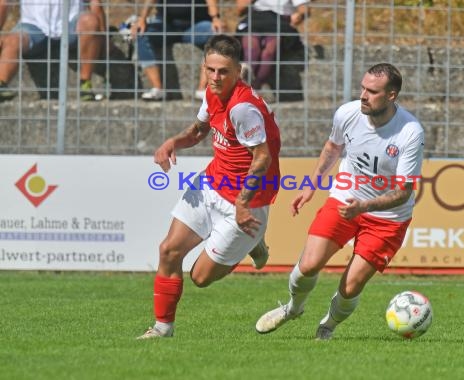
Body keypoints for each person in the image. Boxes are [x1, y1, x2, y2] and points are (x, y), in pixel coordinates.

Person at [255, 63, 425, 340]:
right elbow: (333, 147)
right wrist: (312, 185)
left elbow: (403, 192)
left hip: (388, 217)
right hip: (345, 199)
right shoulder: (347, 113)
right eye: (363, 88)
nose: (363, 95)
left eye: (372, 91)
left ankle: (328, 326)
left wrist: (365, 206)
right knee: (308, 265)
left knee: (351, 286)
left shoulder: (409, 132)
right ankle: (293, 308)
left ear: (392, 95)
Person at [138, 34, 281, 339]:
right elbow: (200, 130)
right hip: (211, 184)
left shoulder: (243, 108)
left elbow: (262, 159)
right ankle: (162, 329)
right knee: (168, 250)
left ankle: (253, 241)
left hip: (246, 202)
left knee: (200, 278)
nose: (216, 77)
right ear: (204, 66)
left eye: (224, 71)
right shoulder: (211, 92)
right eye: (211, 70)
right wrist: (173, 142)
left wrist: (242, 204)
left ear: (237, 71)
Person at [0, 0, 105, 101]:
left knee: (90, 21)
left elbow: (94, 2)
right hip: (33, 27)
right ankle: (1, 84)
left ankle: (85, 84)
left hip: (71, 26)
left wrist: (104, 37)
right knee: (12, 40)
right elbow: (4, 2)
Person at [131, 0, 225, 101]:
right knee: (141, 33)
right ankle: (157, 89)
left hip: (196, 26)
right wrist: (142, 18)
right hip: (166, 26)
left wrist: (215, 18)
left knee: (216, 34)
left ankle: (203, 89)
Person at [235, 0, 309, 98]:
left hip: (280, 21)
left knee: (268, 53)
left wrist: (299, 15)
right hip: (255, 19)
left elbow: (304, 10)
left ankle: (253, 89)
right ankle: (243, 89)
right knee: (252, 50)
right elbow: (240, 10)